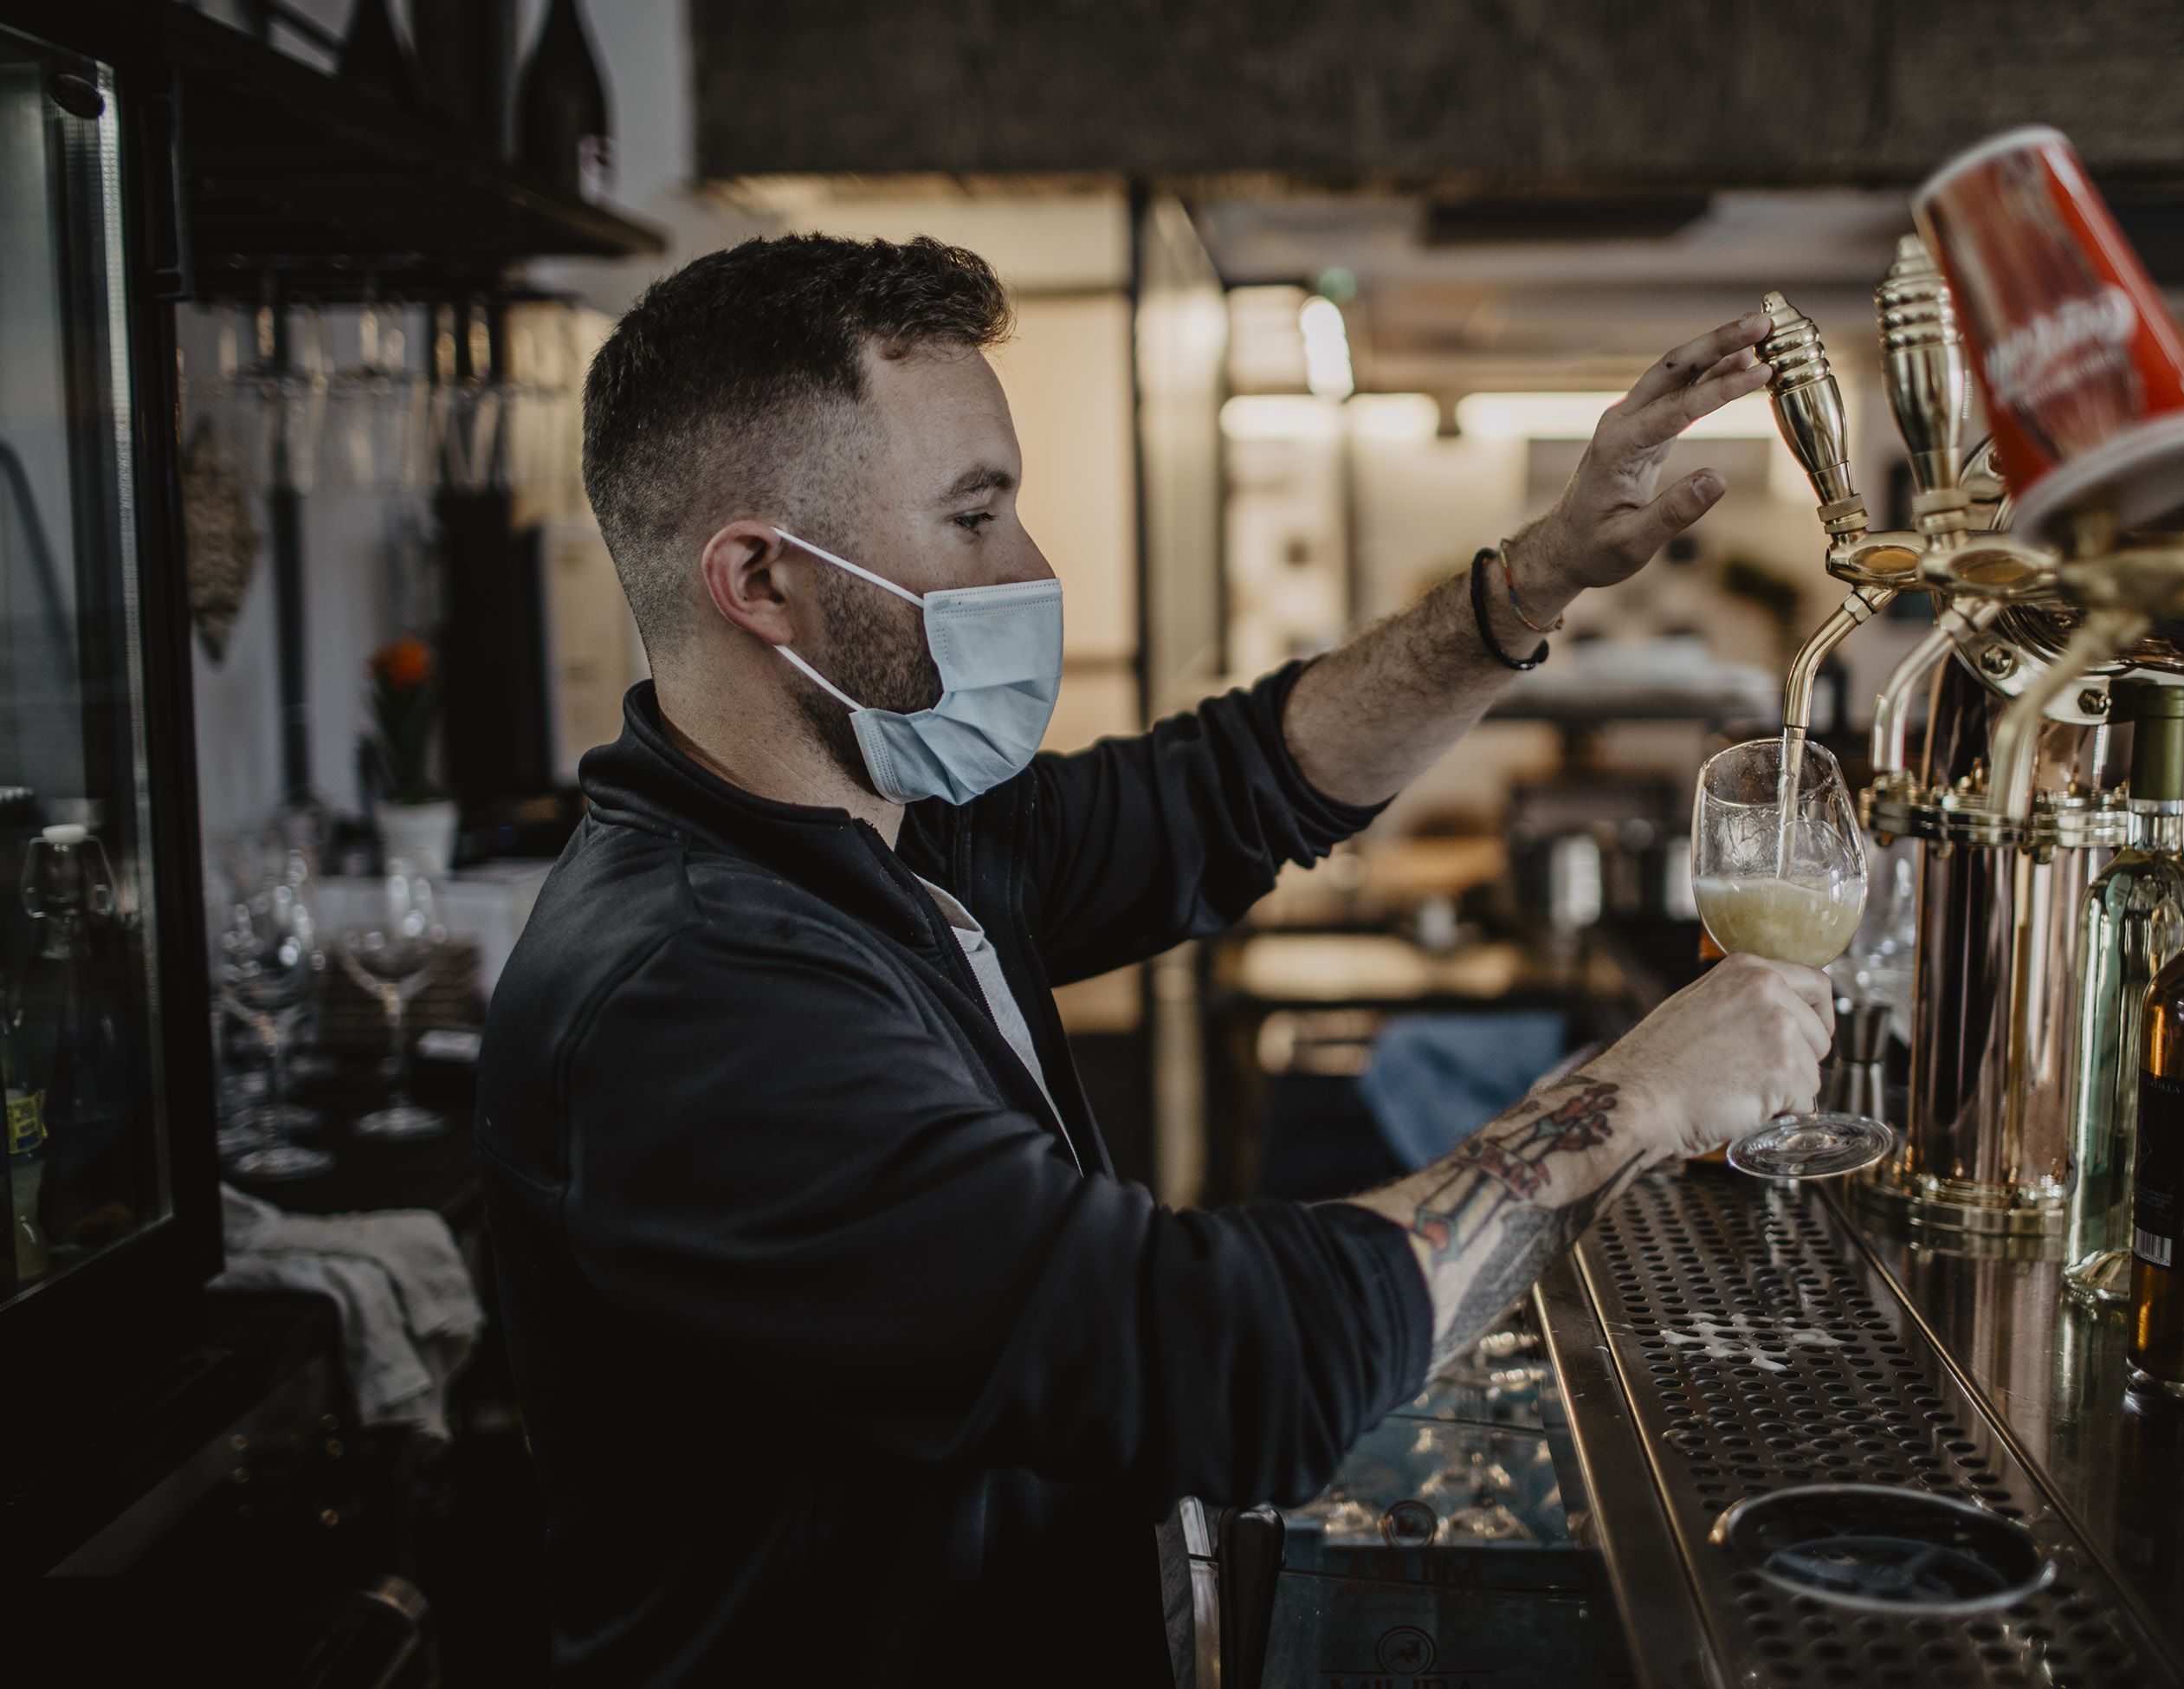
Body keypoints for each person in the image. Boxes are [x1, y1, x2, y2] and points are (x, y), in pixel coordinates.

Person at [477, 232, 1831, 1685]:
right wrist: (1634, 1097)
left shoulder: (897, 824)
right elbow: (1208, 1361)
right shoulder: (694, 1002)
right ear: (760, 579)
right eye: (976, 515)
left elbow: (1235, 782)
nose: (1032, 566)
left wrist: (1535, 578)